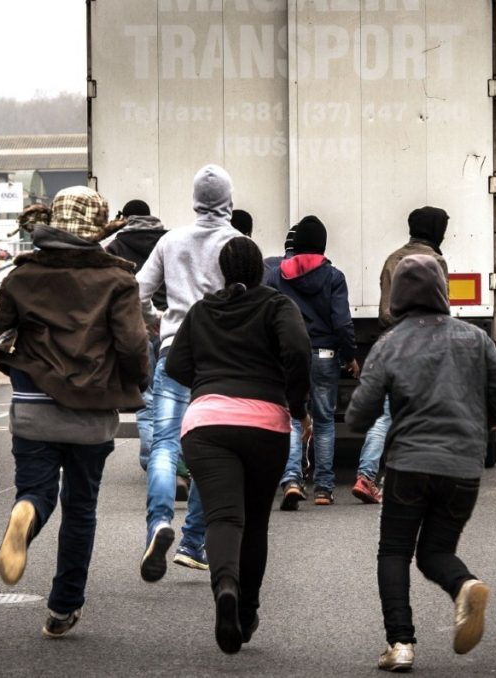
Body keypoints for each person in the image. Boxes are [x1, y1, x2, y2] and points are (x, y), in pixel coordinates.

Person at [0, 186, 149, 638]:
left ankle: (26, 512)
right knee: (81, 509)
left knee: (37, 491)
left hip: (34, 406)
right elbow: (134, 346)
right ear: (97, 230)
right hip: (92, 410)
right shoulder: (117, 280)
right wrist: (139, 380)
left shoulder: (20, 277)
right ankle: (63, 607)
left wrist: (21, 372)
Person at [346, 254, 496, 672]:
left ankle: (400, 644)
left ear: (398, 295)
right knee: (435, 551)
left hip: (409, 464)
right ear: (442, 289)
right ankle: (465, 584)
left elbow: (359, 415)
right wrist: (485, 422)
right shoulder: (474, 339)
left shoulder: (390, 344)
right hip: (463, 467)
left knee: (395, 551)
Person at [166, 237, 312, 653]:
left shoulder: (203, 310)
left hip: (207, 424)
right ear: (258, 270)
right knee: (256, 523)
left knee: (224, 517)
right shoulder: (276, 305)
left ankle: (225, 586)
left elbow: (175, 365)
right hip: (266, 424)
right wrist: (297, 403)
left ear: (223, 271)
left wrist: (210, 387)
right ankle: (246, 611)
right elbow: (298, 350)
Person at [137, 164, 242, 581]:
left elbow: (136, 292)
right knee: (211, 453)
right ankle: (192, 543)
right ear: (229, 202)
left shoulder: (171, 240)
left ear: (195, 200)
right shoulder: (238, 244)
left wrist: (157, 319)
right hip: (219, 361)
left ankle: (158, 523)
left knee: (165, 444)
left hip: (173, 353)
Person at [352, 206, 450, 504]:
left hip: (391, 343)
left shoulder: (392, 259)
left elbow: (385, 311)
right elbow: (441, 309)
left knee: (384, 415)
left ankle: (366, 476)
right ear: (436, 230)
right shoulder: (436, 261)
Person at [266, 216, 359, 508]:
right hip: (325, 355)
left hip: (288, 355)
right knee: (325, 421)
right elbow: (341, 322)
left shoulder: (276, 276)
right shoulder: (333, 277)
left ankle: (292, 480)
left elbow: (269, 316)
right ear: (322, 245)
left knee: (292, 417)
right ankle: (324, 489)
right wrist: (350, 356)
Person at [103, 199, 169, 475]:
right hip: (169, 326)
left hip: (134, 327)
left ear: (126, 217)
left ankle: (151, 458)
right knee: (173, 395)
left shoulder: (115, 247)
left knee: (145, 394)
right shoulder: (169, 240)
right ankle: (170, 458)